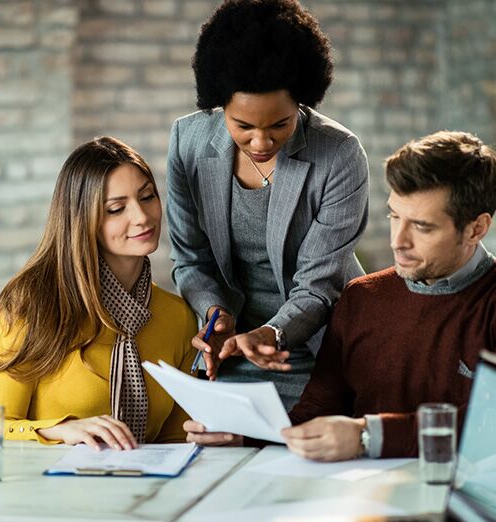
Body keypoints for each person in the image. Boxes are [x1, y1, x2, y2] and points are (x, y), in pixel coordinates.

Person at [167, 0, 369, 412]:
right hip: (230, 351)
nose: (261, 143)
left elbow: (318, 285)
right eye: (243, 126)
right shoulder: (187, 142)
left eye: (280, 124)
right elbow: (190, 260)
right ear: (219, 105)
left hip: (321, 348)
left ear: (302, 102)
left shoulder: (339, 155)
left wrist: (273, 333)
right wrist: (214, 313)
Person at [282, 130, 496, 460]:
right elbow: (316, 411)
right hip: (358, 499)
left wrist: (367, 435)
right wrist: (243, 436)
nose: (398, 241)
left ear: (476, 228)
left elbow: (487, 426)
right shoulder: (361, 298)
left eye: (422, 226)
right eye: (394, 216)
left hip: (460, 502)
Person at [0, 137, 197, 450]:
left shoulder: (178, 317)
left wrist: (211, 435)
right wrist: (59, 430)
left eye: (147, 197)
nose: (141, 217)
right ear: (83, 220)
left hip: (144, 492)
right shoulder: (32, 304)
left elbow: (175, 442)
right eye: (116, 209)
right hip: (45, 493)